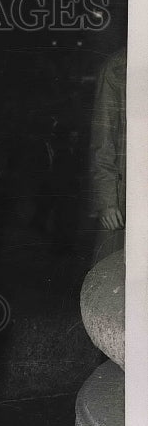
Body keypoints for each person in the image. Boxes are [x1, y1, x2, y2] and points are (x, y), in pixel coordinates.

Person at [87, 47, 126, 264]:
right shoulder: (117, 68)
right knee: (111, 270)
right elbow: (103, 142)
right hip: (124, 194)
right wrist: (108, 201)